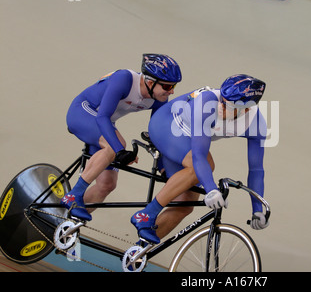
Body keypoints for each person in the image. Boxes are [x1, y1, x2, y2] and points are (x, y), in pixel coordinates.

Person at [130, 74, 269, 244]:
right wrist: (211, 189)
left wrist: (257, 209)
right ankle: (146, 214)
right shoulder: (207, 102)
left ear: (247, 109)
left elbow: (256, 170)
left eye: (229, 105)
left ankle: (139, 251)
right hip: (166, 124)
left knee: (185, 205)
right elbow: (199, 155)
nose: (221, 107)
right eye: (222, 100)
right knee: (206, 165)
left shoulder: (256, 124)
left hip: (185, 138)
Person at [61, 54, 182, 221]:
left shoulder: (159, 98)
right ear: (149, 82)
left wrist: (163, 168)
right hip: (83, 113)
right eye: (167, 86)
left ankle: (66, 223)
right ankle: (74, 195)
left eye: (173, 86)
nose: (171, 91)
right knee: (116, 144)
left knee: (107, 185)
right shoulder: (124, 79)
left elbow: (157, 135)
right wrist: (119, 150)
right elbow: (102, 116)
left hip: (104, 124)